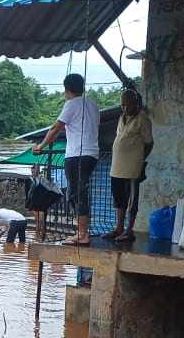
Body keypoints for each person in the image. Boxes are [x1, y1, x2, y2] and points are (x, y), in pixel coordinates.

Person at [34, 73, 100, 246]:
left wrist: (40, 147)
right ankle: (82, 230)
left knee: (77, 193)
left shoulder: (71, 104)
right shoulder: (92, 104)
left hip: (77, 154)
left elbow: (56, 128)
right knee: (77, 192)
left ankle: (82, 233)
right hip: (92, 154)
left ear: (67, 90)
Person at [103, 88, 153, 243]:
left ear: (136, 104)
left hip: (131, 168)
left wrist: (139, 159)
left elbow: (149, 143)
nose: (125, 108)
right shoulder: (122, 117)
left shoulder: (142, 119)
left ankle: (129, 230)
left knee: (131, 200)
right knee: (119, 199)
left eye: (128, 105)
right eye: (123, 105)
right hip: (116, 167)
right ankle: (119, 227)